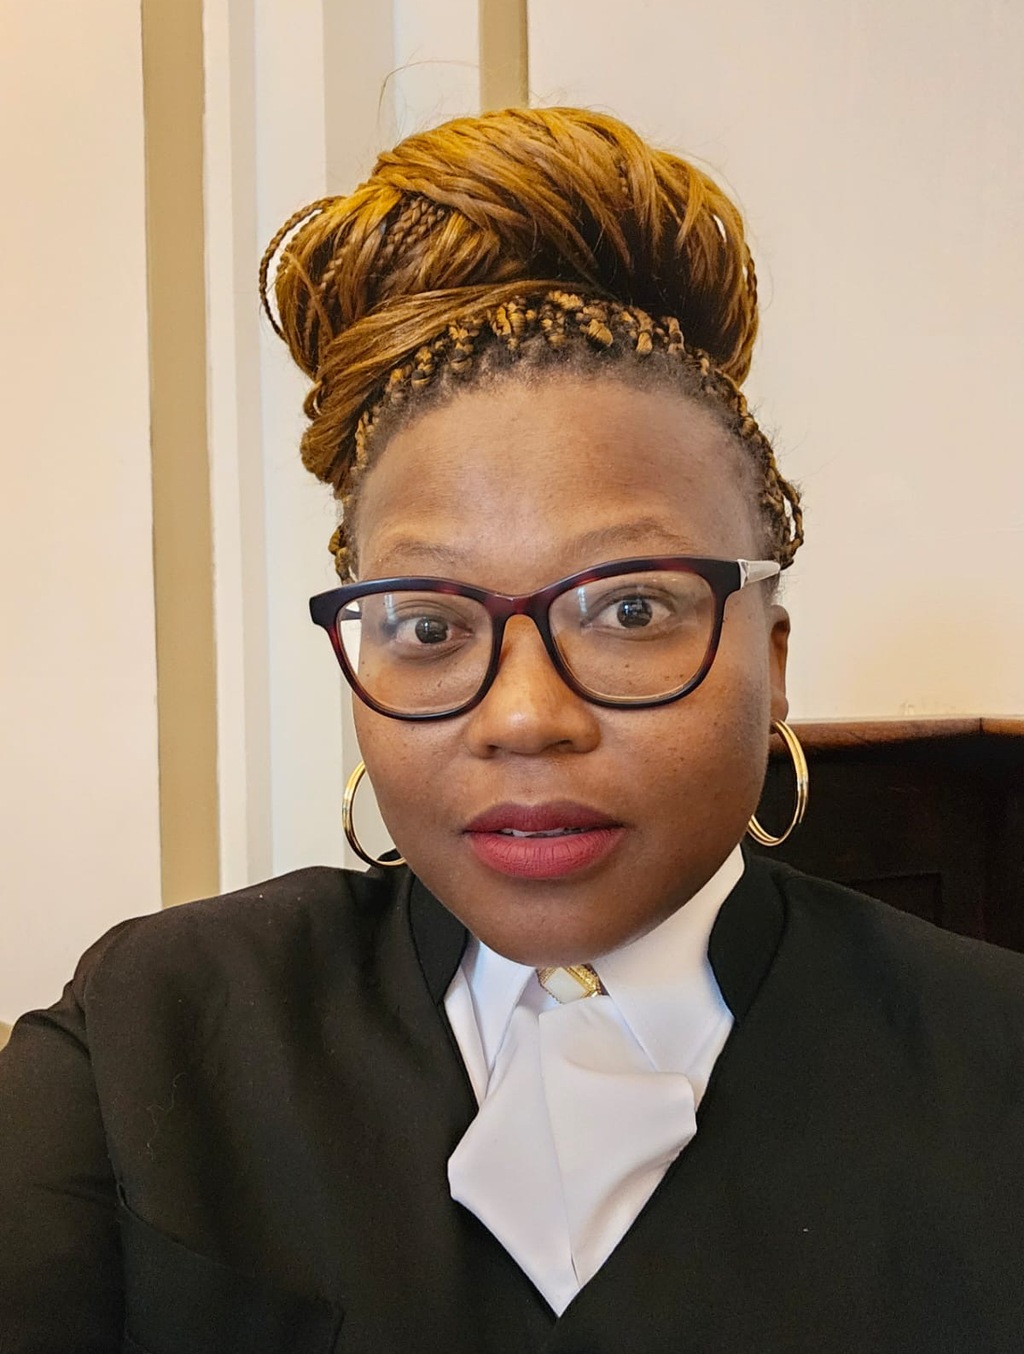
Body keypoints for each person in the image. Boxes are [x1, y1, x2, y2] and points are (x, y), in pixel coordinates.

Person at [1, 106, 1022, 1354]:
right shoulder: (141, 1037)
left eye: (631, 608)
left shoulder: (994, 1065)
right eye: (430, 626)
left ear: (771, 660)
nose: (526, 716)